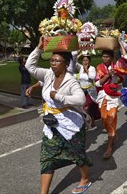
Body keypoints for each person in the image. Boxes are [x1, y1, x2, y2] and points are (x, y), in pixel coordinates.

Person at [25, 37, 92, 194]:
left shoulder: (70, 81)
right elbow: (30, 66)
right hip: (52, 125)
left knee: (77, 155)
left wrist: (59, 96)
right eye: (52, 60)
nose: (53, 63)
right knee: (47, 158)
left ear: (66, 64)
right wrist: (39, 48)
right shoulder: (48, 75)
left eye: (57, 61)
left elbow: (80, 99)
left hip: (71, 126)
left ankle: (85, 179)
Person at [95, 43, 127, 159]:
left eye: (107, 57)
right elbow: (98, 83)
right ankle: (112, 133)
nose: (105, 59)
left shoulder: (117, 66)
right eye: (103, 57)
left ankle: (109, 147)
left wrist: (119, 42)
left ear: (112, 58)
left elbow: (121, 78)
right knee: (104, 120)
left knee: (112, 117)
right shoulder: (99, 68)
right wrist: (108, 75)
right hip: (103, 95)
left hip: (113, 96)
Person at [74, 54, 100, 128]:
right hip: (82, 90)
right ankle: (91, 120)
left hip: (90, 91)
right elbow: (74, 62)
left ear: (90, 61)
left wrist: (86, 70)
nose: (85, 62)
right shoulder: (81, 68)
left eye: (87, 60)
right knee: (84, 107)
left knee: (87, 107)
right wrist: (80, 54)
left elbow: (92, 77)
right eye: (84, 60)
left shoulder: (92, 68)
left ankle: (89, 121)